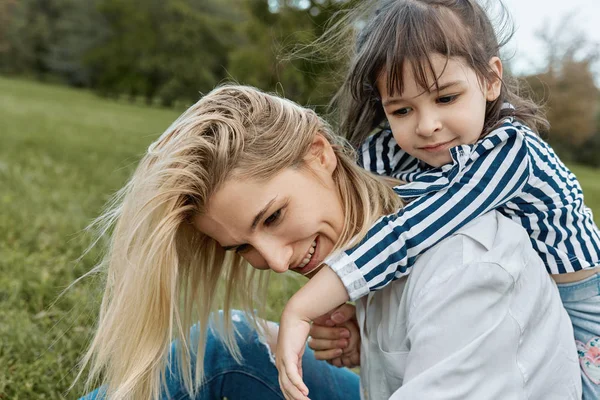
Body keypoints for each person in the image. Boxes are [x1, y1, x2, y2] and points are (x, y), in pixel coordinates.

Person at [77, 84, 580, 400]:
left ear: (320, 154)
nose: (273, 262)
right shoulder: (380, 229)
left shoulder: (467, 262)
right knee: (226, 347)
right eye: (241, 248)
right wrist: (378, 347)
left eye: (273, 216)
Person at [276, 0, 600, 398]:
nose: (427, 125)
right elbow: (357, 191)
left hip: (585, 314)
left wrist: (305, 305)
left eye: (446, 98)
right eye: (402, 109)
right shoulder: (399, 146)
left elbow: (411, 229)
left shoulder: (512, 152)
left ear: (490, 79)